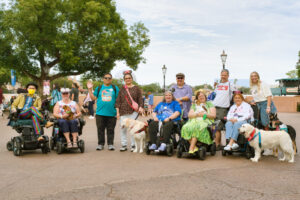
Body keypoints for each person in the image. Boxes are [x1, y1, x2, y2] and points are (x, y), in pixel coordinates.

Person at [87, 73, 119, 151]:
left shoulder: (115, 88)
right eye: (106, 78)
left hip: (112, 113)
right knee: (100, 129)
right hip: (100, 113)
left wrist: (118, 112)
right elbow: (93, 98)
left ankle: (110, 144)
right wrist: (90, 90)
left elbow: (118, 100)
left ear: (111, 79)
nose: (107, 79)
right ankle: (100, 144)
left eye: (109, 78)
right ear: (103, 79)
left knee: (111, 129)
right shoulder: (99, 88)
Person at [115, 70, 144, 152]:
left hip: (133, 112)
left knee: (133, 128)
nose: (128, 79)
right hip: (123, 112)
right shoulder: (122, 89)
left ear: (132, 79)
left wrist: (141, 107)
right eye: (126, 78)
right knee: (123, 128)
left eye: (129, 78)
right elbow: (118, 101)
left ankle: (133, 145)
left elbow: (140, 99)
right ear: (124, 80)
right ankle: (124, 145)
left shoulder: (136, 88)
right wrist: (117, 112)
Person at [212, 69, 235, 150]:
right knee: (213, 126)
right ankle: (216, 143)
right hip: (214, 106)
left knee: (218, 126)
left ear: (228, 76)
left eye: (225, 75)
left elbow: (236, 94)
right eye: (222, 75)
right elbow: (214, 95)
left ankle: (218, 145)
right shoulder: (218, 84)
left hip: (223, 107)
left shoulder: (230, 84)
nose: (223, 76)